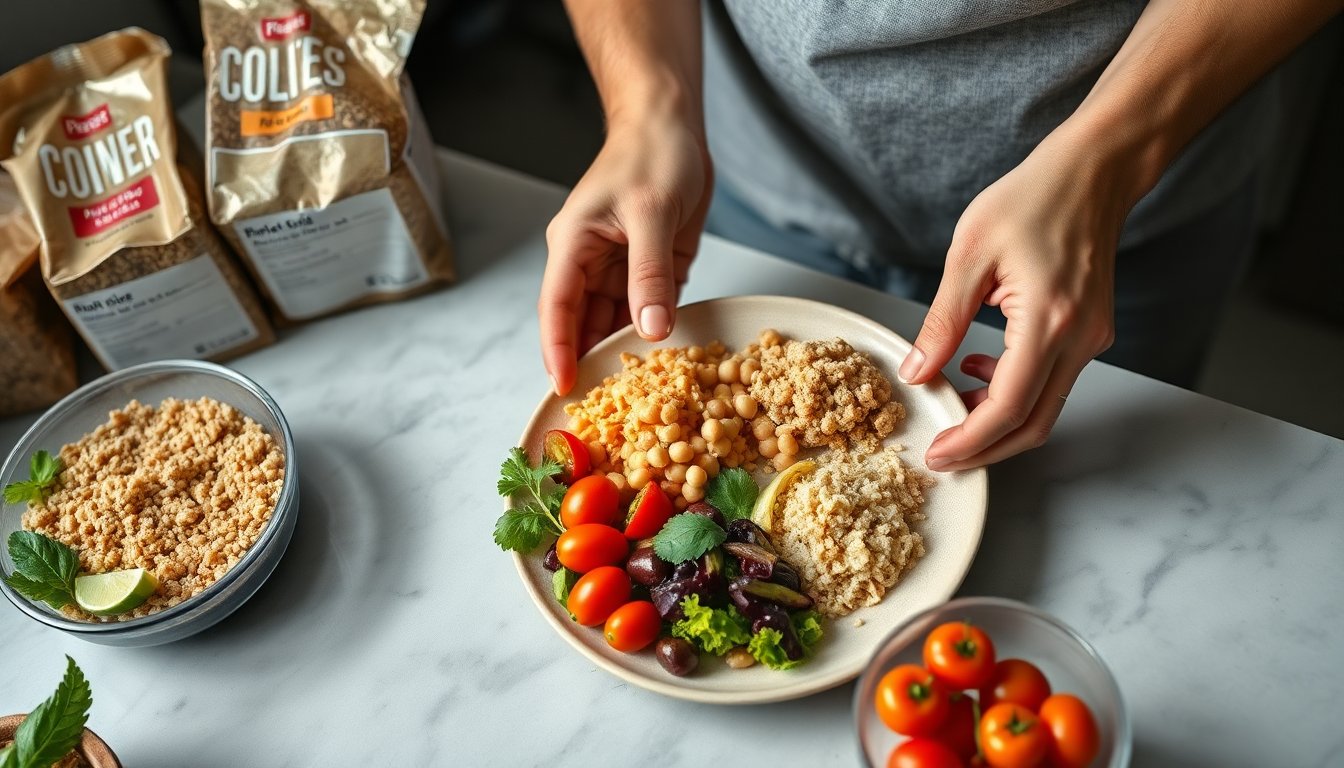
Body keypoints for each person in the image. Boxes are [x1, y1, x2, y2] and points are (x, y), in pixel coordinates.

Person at [537, 0, 1342, 472]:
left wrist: (1108, 158)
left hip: (1115, 223)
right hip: (751, 173)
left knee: (1097, 506)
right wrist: (647, 104)